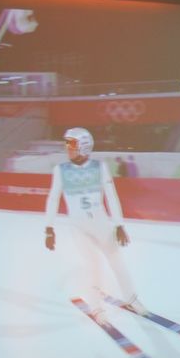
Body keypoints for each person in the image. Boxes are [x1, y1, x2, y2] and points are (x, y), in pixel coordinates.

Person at [43, 127, 146, 324]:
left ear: (84, 146)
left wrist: (119, 224)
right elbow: (53, 198)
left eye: (71, 144)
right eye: (66, 143)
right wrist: (49, 229)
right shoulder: (60, 170)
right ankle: (96, 307)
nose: (67, 148)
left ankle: (131, 299)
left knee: (117, 262)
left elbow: (111, 196)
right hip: (78, 227)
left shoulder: (100, 167)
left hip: (101, 224)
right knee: (92, 265)